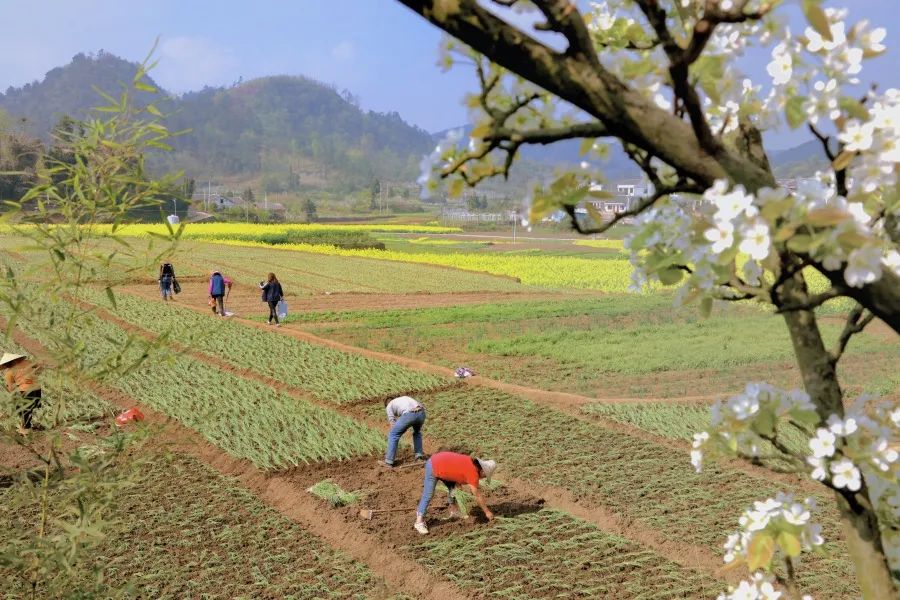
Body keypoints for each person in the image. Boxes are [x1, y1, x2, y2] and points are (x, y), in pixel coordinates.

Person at [414, 451, 496, 535]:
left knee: (453, 489)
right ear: (482, 471)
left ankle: (454, 511)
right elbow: (477, 495)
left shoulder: (470, 463)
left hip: (442, 462)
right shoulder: (473, 472)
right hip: (434, 465)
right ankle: (419, 521)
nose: (483, 478)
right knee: (428, 495)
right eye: (485, 476)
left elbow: (457, 474)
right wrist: (487, 512)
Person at [1, 353, 42, 433]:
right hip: (37, 387)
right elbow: (40, 366)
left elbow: (11, 389)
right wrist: (32, 373)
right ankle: (34, 423)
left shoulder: (9, 372)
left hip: (26, 390)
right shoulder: (27, 362)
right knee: (34, 407)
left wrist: (17, 385)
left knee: (24, 408)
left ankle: (26, 428)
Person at [381, 395, 426, 467]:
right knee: (417, 432)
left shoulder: (389, 406)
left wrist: (398, 431)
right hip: (422, 413)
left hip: (409, 414)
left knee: (393, 435)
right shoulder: (403, 398)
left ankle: (389, 461)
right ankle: (419, 456)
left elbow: (392, 422)